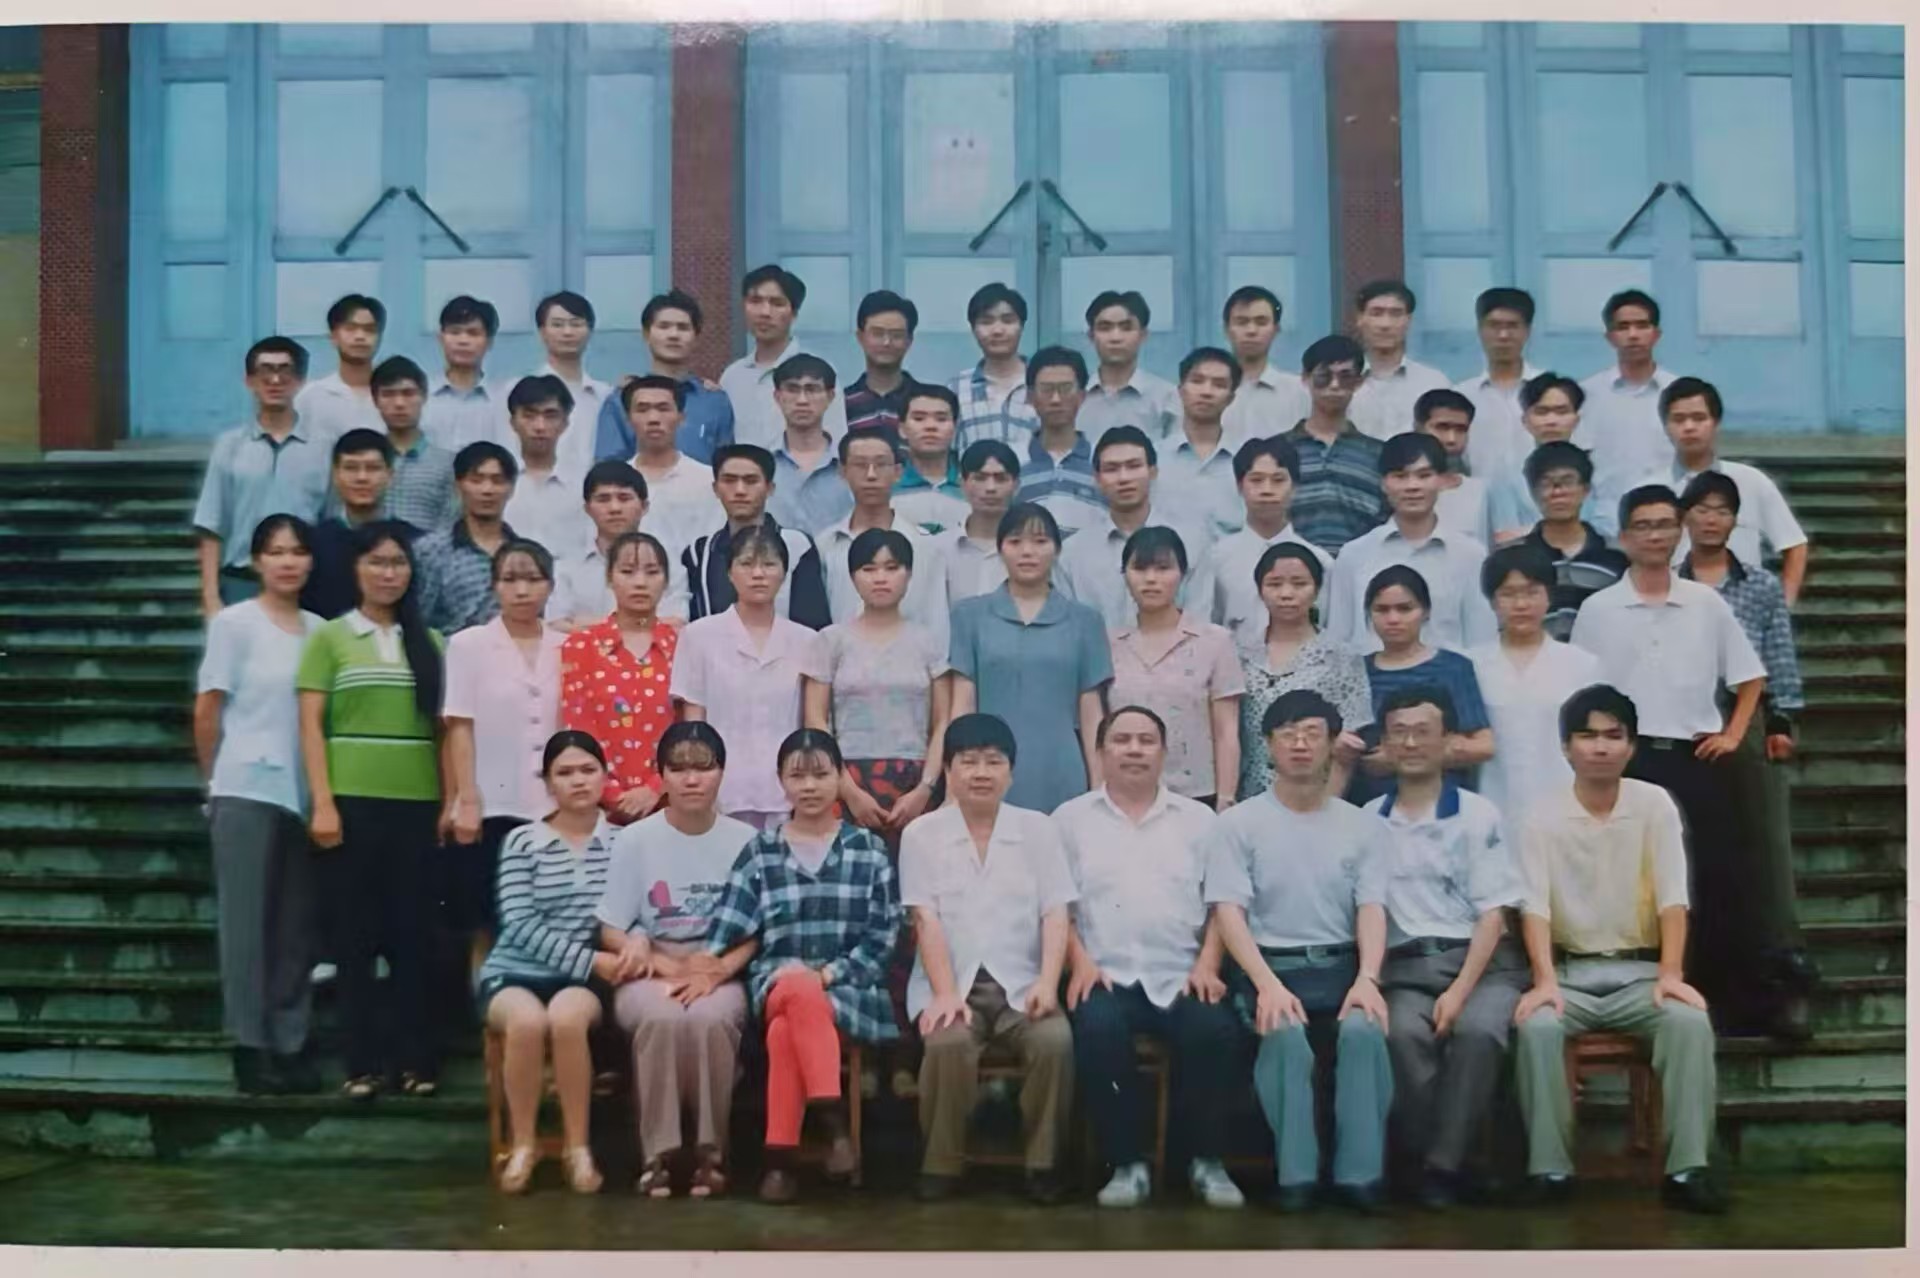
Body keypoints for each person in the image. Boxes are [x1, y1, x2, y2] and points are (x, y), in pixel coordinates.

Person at [1511, 684, 1725, 1215]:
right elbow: (1533, 905)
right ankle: (1549, 1170)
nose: (1600, 747)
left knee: (1689, 1023)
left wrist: (1671, 974)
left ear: (1631, 745)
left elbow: (1673, 897)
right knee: (1537, 1027)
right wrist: (1544, 980)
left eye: (1613, 735)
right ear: (1566, 747)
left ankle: (1687, 1170)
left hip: (1641, 975)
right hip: (1570, 976)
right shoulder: (1541, 814)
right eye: (1587, 736)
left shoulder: (1654, 805)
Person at [1571, 484, 1768, 1027]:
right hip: (1629, 765)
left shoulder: (1705, 603)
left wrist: (1733, 734)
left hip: (1695, 758)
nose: (1655, 535)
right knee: (1636, 880)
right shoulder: (1599, 609)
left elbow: (1750, 677)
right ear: (1623, 536)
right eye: (1643, 526)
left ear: (1679, 531)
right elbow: (1583, 694)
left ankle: (1720, 1000)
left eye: (1664, 525)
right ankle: (1645, 994)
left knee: (1710, 877)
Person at [1203, 689, 1395, 1213]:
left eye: (1313, 733)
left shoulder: (1363, 825)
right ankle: (1297, 1174)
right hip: (1270, 967)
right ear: (1268, 745)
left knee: (1364, 1030)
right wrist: (1266, 984)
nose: (1301, 744)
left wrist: (1369, 978)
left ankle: (1360, 1175)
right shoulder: (1239, 824)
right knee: (1285, 1033)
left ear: (1333, 744)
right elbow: (1229, 912)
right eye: (1287, 734)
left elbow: (1372, 907)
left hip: (1341, 966)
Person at [1053, 707, 1246, 1210]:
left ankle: (1206, 1162)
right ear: (1101, 752)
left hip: (1182, 973)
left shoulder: (1200, 821)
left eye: (1146, 740)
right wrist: (1079, 962)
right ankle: (1126, 1165)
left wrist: (1208, 964)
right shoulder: (1070, 820)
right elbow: (1054, 906)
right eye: (1121, 740)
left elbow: (1222, 902)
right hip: (1101, 973)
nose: (1134, 749)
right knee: (1097, 1031)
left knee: (1215, 1030)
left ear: (1165, 752)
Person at [705, 729, 903, 1204]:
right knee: (793, 988)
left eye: (821, 774)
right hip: (776, 982)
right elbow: (728, 928)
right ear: (781, 781)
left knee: (785, 1027)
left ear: (841, 778)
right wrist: (698, 964)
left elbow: (883, 936)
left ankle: (780, 1162)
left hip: (850, 988)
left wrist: (828, 975)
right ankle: (834, 1127)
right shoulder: (761, 851)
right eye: (797, 776)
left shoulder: (868, 849)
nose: (809, 786)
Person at [296, 521, 447, 1099]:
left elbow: (444, 731)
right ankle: (360, 1063)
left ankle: (416, 1059)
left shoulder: (431, 642)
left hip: (417, 805)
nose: (388, 573)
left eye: (398, 563)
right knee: (354, 939)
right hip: (351, 805)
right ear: (356, 569)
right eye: (377, 562)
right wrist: (323, 802)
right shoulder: (331, 638)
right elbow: (311, 726)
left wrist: (449, 798)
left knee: (414, 937)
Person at [1363, 687, 1528, 1207]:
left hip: (1485, 967)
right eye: (1399, 732)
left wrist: (1458, 992)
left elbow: (1494, 915)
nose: (1411, 743)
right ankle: (1437, 1156)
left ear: (1450, 741)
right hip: (1407, 969)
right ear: (1385, 743)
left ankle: (1440, 1167)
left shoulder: (1477, 814)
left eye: (1423, 732)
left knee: (1478, 1031)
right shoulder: (1368, 818)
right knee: (1400, 1035)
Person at [903, 713, 1077, 1204]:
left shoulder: (1038, 829)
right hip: (949, 981)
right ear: (949, 771)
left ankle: (1044, 1164)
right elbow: (924, 918)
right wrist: (944, 994)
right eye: (969, 761)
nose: (981, 772)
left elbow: (1055, 913)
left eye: (994, 762)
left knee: (1055, 1041)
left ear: (1011, 773)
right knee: (948, 1042)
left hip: (1022, 983)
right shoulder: (921, 834)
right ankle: (941, 1164)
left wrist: (1048, 983)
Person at [1676, 472, 1815, 1038]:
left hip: (1745, 715)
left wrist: (1781, 719)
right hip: (1681, 719)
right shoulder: (1668, 582)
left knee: (1763, 850)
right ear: (1685, 516)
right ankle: (1697, 982)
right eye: (1701, 508)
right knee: (1690, 851)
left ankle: (1782, 981)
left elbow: (1778, 652)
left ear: (1736, 520)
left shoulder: (1758, 585)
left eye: (1723, 510)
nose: (1711, 519)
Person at [596, 721, 756, 1199]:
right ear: (661, 775)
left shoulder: (746, 840)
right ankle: (658, 1156)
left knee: (709, 1019)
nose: (691, 779)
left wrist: (719, 969)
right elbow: (611, 927)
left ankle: (711, 1154)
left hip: (719, 964)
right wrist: (662, 965)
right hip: (651, 964)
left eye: (703, 768)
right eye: (678, 768)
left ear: (721, 773)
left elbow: (759, 931)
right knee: (663, 1018)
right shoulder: (635, 839)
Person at [194, 514, 324, 1095]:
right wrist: (213, 782)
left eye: (297, 552)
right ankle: (249, 1045)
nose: (288, 562)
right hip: (244, 786)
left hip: (304, 794)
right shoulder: (235, 624)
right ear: (256, 561)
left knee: (295, 925)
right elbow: (207, 710)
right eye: (276, 552)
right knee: (246, 924)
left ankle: (290, 1042)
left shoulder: (322, 631)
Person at [474, 730, 621, 1196]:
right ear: (548, 783)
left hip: (581, 981)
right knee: (526, 1021)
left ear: (605, 776)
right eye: (565, 772)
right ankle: (524, 1145)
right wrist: (591, 960)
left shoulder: (623, 842)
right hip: (516, 971)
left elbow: (631, 912)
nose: (578, 781)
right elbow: (519, 924)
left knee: (566, 1018)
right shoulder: (523, 841)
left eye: (588, 770)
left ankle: (578, 1148)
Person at [949, 503, 1113, 815]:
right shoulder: (969, 616)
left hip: (1060, 765)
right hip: (987, 767)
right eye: (1015, 542)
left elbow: (1091, 711)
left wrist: (1099, 787)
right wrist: (953, 784)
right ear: (1000, 550)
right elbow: (962, 704)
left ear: (1057, 549)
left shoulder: (1085, 621)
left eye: (1040, 542)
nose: (1027, 552)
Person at [443, 539, 566, 941]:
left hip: (554, 805)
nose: (522, 590)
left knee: (547, 920)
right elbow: (459, 725)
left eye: (533, 579)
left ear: (550, 585)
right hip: (491, 802)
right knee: (485, 919)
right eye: (510, 579)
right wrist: (466, 798)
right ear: (494, 585)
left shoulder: (567, 646)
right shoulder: (468, 644)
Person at [803, 527, 952, 841]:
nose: (880, 578)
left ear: (909, 575)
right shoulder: (831, 640)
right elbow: (815, 720)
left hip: (914, 781)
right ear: (852, 577)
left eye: (892, 568)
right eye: (869, 569)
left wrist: (925, 788)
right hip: (844, 777)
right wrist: (848, 790)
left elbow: (942, 722)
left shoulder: (928, 643)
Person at [672, 525, 818, 829]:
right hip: (721, 792)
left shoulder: (807, 641)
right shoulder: (698, 636)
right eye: (747, 564)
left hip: (786, 793)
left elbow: (810, 724)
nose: (758, 574)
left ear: (784, 572)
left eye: (769, 564)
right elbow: (694, 726)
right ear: (729, 572)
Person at [1106, 528, 1243, 808]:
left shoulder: (1215, 642)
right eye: (1140, 569)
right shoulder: (1108, 644)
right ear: (1124, 575)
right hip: (1123, 795)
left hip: (1197, 796)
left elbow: (1226, 730)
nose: (1151, 579)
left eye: (1163, 568)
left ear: (1183, 574)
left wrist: (1226, 797)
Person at [1467, 544, 1603, 827]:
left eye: (1532, 592)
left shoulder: (1582, 665)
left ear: (1549, 596)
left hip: (1565, 809)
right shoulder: (1470, 666)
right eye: (1508, 594)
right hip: (1492, 808)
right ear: (1492, 601)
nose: (1521, 605)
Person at [193, 336, 329, 616]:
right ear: (249, 381)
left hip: (307, 586)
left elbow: (333, 520)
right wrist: (210, 596)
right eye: (265, 371)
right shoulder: (229, 446)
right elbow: (211, 525)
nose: (275, 380)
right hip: (242, 582)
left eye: (285, 371)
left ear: (300, 381)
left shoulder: (323, 446)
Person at [1327, 432, 1496, 655]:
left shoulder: (1470, 555)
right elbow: (1339, 641)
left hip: (1445, 674)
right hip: (1369, 674)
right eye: (1400, 476)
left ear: (1442, 481)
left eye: (1424, 475)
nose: (1412, 486)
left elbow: (1482, 642)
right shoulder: (1354, 554)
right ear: (1383, 483)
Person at [559, 531, 682, 827]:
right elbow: (577, 725)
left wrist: (655, 788)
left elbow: (688, 727)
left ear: (666, 581)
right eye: (627, 572)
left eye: (651, 572)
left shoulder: (683, 646)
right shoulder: (581, 646)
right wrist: (612, 795)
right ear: (609, 578)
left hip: (671, 803)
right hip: (596, 806)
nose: (640, 582)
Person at [1235, 542, 1372, 802]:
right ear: (1260, 590)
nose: (1286, 594)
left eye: (1299, 584)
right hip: (1248, 794)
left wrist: (1328, 805)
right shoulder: (1238, 651)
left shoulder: (1341, 656)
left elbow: (1348, 743)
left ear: (1317, 590)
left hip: (1315, 794)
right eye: (1275, 584)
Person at [1351, 566, 1494, 808]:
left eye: (1405, 609)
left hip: (1443, 803)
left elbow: (1483, 745)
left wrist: (1399, 758)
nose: (1393, 619)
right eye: (1382, 610)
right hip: (1371, 805)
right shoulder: (1355, 672)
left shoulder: (1452, 668)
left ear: (1426, 612)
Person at [1658, 376, 1809, 604]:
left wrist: (1782, 606)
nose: (1689, 427)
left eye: (1699, 418)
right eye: (1678, 419)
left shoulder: (1751, 481)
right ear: (1665, 426)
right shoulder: (1651, 489)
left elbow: (1794, 544)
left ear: (1716, 423)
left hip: (1743, 609)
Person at [1059, 427, 1217, 631]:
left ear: (1153, 472)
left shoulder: (1192, 542)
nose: (1124, 478)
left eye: (1134, 466)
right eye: (1111, 469)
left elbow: (1199, 625)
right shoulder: (1073, 553)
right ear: (1097, 479)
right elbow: (1069, 631)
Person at [816, 426, 951, 651]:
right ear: (842, 471)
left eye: (880, 465)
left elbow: (935, 621)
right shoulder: (826, 544)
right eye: (860, 465)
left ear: (898, 472)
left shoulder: (924, 544)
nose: (871, 475)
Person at [681, 444, 831, 629]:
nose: (740, 490)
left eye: (751, 481)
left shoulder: (796, 545)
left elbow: (813, 625)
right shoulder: (700, 553)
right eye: (729, 480)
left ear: (770, 488)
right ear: (715, 488)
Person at [1205, 436, 1332, 645]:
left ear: (1294, 487)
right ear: (1239, 486)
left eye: (1278, 480)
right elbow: (1207, 628)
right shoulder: (1216, 559)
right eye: (1256, 480)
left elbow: (1326, 629)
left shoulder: (1321, 562)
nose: (1267, 490)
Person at [592, 289, 735, 466]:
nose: (673, 335)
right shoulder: (620, 400)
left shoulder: (715, 401)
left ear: (696, 337)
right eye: (664, 326)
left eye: (683, 328)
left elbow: (727, 466)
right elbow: (608, 466)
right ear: (646, 334)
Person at [548, 461, 690, 630]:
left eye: (624, 498)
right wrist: (641, 624)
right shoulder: (566, 566)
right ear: (587, 508)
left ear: (644, 506)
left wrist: (586, 623)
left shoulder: (668, 564)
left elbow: (676, 623)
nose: (614, 508)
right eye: (603, 499)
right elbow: (557, 625)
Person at [1508, 441, 1628, 639]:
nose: (1558, 492)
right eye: (1546, 484)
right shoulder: (1511, 556)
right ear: (1532, 492)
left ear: (1586, 489)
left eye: (1568, 481)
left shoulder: (1617, 555)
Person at [720, 264, 847, 451]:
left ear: (794, 313)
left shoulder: (819, 372)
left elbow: (836, 442)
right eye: (755, 301)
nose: (765, 312)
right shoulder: (732, 377)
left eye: (777, 303)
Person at [1282, 335, 1387, 554]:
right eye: (1323, 377)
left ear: (1359, 382)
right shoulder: (1277, 451)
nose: (1334, 385)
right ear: (1305, 378)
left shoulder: (1379, 455)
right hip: (1289, 569)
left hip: (1362, 568)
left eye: (1345, 377)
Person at [1490, 373, 1616, 543]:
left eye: (1561, 412)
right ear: (1525, 420)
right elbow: (1505, 536)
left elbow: (1609, 528)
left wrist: (1539, 530)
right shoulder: (1507, 475)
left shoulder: (1599, 469)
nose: (1551, 421)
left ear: (1576, 418)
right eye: (1541, 412)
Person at [1578, 289, 1677, 506]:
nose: (1633, 335)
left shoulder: (1678, 392)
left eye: (1642, 325)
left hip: (1669, 514)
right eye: (1623, 327)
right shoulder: (1587, 395)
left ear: (1656, 334)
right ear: (1610, 337)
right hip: (1606, 516)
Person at [611, 374, 725, 554]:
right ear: (628, 419)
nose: (653, 418)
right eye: (642, 409)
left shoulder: (708, 482)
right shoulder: (614, 483)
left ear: (682, 417)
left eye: (663, 409)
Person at [414, 442, 519, 637]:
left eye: (497, 481)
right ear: (458, 486)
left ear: (511, 488)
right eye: (476, 480)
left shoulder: (524, 553)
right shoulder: (431, 550)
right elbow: (419, 620)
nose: (487, 490)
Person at [302, 429, 401, 621]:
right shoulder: (312, 542)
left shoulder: (414, 542)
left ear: (390, 475)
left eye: (372, 468)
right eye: (351, 468)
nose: (362, 478)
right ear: (335, 475)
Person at [1016, 345, 1106, 538]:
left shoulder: (1102, 461)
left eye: (1065, 389)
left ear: (1082, 396)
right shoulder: (1013, 460)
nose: (1056, 399)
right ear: (1030, 397)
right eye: (1046, 390)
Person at [1155, 346, 1246, 537]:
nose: (1206, 392)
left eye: (1219, 385)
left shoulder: (1247, 461)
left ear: (1231, 398)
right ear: (1180, 390)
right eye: (1197, 381)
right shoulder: (1154, 458)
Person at [501, 374, 593, 559]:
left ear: (565, 423)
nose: (540, 426)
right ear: (513, 422)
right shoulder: (497, 479)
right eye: (529, 416)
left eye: (550, 416)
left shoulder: (585, 480)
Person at [1452, 287, 1541, 478]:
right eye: (1494, 326)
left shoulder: (1549, 392)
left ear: (1528, 331)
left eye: (1512, 326)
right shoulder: (1461, 396)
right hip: (1478, 496)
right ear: (1480, 330)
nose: (1503, 335)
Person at [1348, 280, 1453, 441]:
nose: (1385, 324)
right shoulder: (1340, 383)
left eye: (1396, 314)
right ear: (1360, 319)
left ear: (1409, 320)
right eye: (1376, 313)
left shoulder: (1434, 383)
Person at [767, 353, 854, 537]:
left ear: (830, 396)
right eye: (792, 389)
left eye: (812, 389)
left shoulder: (852, 464)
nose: (802, 401)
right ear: (777, 396)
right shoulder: (762, 465)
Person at [368, 356, 456, 533]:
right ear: (375, 400)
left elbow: (450, 524)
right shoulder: (363, 463)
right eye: (388, 394)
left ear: (424, 396)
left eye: (408, 393)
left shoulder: (448, 464)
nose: (399, 403)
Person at [951, 282, 1041, 453]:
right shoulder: (956, 389)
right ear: (973, 329)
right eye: (986, 322)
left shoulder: (1043, 383)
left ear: (1022, 326)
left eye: (1008, 321)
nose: (997, 330)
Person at [530, 291, 612, 478]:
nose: (567, 332)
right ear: (542, 332)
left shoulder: (606, 395)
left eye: (576, 324)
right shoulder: (522, 393)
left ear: (590, 331)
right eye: (557, 325)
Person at [1079, 290, 1179, 442]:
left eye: (1126, 328)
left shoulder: (1166, 397)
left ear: (1143, 335)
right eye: (1105, 328)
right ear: (1091, 336)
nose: (1115, 338)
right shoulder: (1074, 397)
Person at [422, 295, 512, 453]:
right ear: (441, 338)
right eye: (455, 332)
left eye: (473, 333)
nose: (463, 341)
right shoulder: (421, 396)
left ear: (489, 341)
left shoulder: (504, 399)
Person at [1219, 284, 1310, 439]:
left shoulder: (1299, 393)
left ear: (1276, 329)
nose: (1251, 331)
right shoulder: (1205, 392)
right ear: (1226, 330)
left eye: (1261, 322)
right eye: (1242, 322)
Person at [292, 294, 385, 438]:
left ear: (380, 338)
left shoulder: (395, 396)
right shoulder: (311, 397)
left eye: (369, 330)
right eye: (350, 328)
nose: (360, 336)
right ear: (333, 337)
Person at [943, 440, 1024, 603]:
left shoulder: (1031, 551)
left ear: (1016, 486)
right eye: (980, 478)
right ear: (962, 484)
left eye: (1001, 478)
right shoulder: (940, 549)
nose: (990, 488)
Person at [1413, 388, 1492, 547]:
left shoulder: (1482, 492)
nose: (1451, 439)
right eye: (1442, 427)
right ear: (1418, 427)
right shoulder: (1395, 490)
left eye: (1461, 430)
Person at [892, 382, 970, 534]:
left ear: (955, 428)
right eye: (919, 418)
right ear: (902, 429)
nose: (930, 426)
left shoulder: (974, 483)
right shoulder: (887, 484)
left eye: (941, 419)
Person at [843, 290, 921, 434]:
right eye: (877, 333)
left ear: (909, 341)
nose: (886, 342)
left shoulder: (926, 402)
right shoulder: (842, 404)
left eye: (896, 335)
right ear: (860, 337)